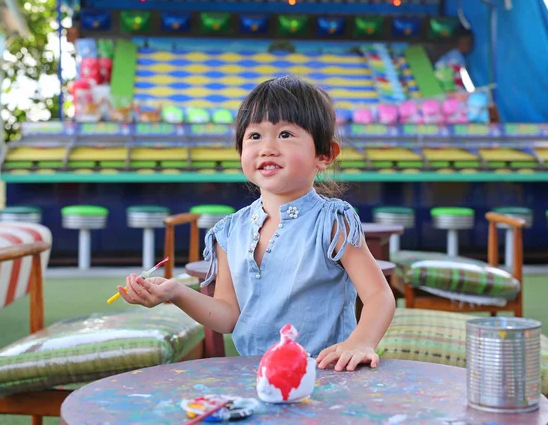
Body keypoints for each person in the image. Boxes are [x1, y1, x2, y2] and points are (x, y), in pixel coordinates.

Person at [117, 76, 395, 372]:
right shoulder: (229, 231)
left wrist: (360, 342)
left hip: (323, 375)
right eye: (254, 136)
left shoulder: (332, 222)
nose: (268, 148)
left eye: (285, 134)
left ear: (324, 155)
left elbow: (379, 296)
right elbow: (228, 315)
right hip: (255, 377)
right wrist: (176, 292)